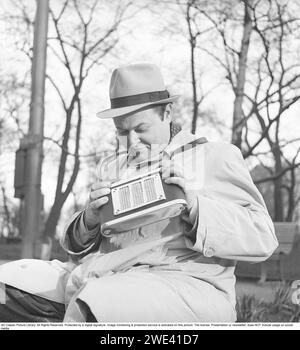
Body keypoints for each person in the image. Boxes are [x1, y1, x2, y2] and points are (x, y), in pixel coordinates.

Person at [0, 63, 278, 322]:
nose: (131, 142)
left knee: (95, 301)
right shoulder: (113, 167)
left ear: (167, 114)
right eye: (122, 131)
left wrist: (195, 206)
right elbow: (75, 248)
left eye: (141, 129)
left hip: (186, 286)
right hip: (100, 274)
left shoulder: (215, 156)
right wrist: (90, 220)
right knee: (6, 284)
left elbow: (263, 235)